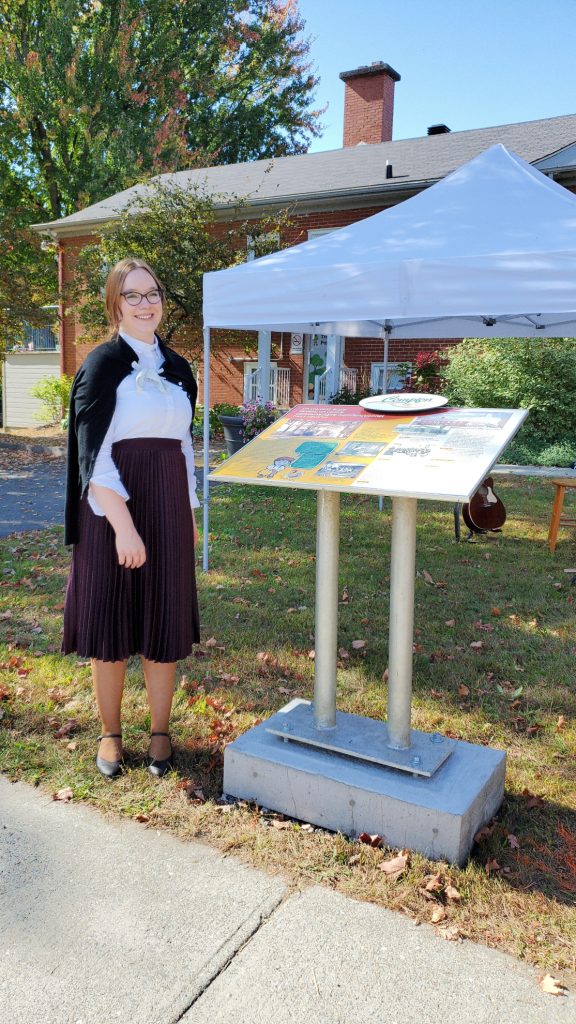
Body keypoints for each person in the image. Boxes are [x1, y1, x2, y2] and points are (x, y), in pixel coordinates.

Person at [62, 257, 200, 779]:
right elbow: (90, 454)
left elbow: (185, 448)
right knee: (111, 619)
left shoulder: (179, 369)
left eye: (153, 293)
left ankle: (161, 731)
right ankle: (110, 733)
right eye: (133, 295)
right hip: (109, 507)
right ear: (114, 304)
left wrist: (187, 514)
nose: (146, 304)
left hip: (165, 502)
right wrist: (122, 525)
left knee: (163, 615)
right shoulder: (101, 365)